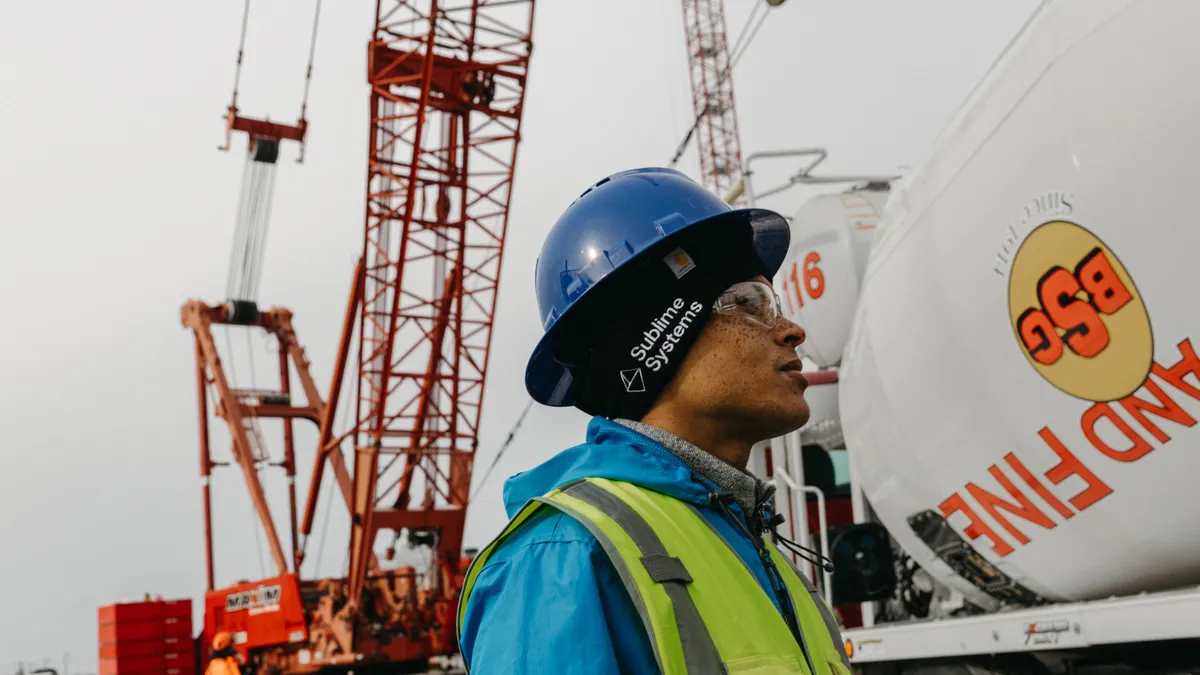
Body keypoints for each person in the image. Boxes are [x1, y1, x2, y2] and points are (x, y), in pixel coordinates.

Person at [456, 167, 851, 674]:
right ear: (658, 340)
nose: (792, 330)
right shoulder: (565, 556)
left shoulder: (749, 542)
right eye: (752, 303)